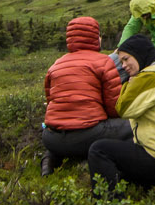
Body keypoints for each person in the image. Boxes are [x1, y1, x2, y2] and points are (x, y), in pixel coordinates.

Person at [40, 16, 144, 175]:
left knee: (64, 133)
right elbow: (114, 107)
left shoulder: (55, 65)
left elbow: (50, 102)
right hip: (87, 135)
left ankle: (49, 159)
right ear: (95, 38)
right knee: (135, 125)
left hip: (51, 138)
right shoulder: (103, 62)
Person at [87, 37, 155, 197]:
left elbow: (123, 108)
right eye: (121, 61)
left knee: (98, 150)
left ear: (139, 54)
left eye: (126, 59)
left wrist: (129, 82)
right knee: (126, 144)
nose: (123, 66)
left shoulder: (148, 78)